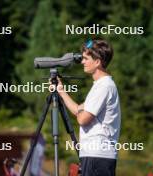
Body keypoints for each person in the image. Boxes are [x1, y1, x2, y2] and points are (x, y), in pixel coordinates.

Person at [54, 39, 121, 176]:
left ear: (97, 62)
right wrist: (60, 90)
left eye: (85, 58)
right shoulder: (100, 86)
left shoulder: (104, 86)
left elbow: (82, 119)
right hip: (94, 155)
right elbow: (78, 109)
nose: (82, 62)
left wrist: (80, 112)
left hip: (98, 156)